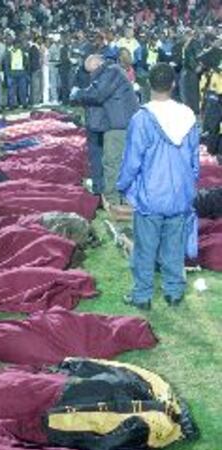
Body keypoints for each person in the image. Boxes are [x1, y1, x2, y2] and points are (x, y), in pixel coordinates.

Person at [117, 63, 200, 310]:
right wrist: (188, 184)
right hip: (180, 194)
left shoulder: (142, 118)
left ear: (148, 84)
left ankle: (142, 296)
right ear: (174, 84)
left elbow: (132, 160)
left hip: (151, 195)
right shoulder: (188, 115)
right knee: (175, 247)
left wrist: (123, 186)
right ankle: (174, 292)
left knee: (145, 249)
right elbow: (195, 159)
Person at [72, 54, 138, 204]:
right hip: (115, 122)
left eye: (91, 71)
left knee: (113, 162)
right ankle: (113, 196)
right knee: (113, 161)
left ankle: (113, 200)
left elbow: (97, 94)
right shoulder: (109, 72)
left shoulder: (112, 72)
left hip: (119, 124)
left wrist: (78, 94)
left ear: (97, 65)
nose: (91, 76)